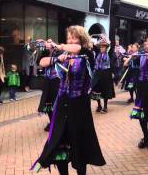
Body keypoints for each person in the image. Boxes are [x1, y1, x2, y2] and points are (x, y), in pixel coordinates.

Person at [31, 25, 106, 175]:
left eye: (74, 37)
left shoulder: (88, 54)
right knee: (59, 141)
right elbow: (42, 62)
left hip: (79, 105)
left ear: (81, 39)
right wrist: (56, 57)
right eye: (69, 37)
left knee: (79, 143)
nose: (70, 40)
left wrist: (58, 45)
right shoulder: (63, 53)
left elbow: (78, 49)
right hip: (62, 103)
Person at [37, 40, 61, 132]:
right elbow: (39, 62)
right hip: (47, 80)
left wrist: (55, 46)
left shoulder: (58, 52)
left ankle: (55, 123)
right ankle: (52, 122)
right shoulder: (45, 53)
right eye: (47, 43)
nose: (48, 45)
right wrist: (43, 48)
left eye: (50, 43)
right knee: (47, 103)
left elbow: (61, 58)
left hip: (56, 80)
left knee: (56, 103)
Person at [91, 35, 115, 113]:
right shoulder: (98, 53)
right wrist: (95, 36)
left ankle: (105, 106)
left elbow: (112, 44)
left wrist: (104, 37)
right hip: (97, 73)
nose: (102, 48)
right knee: (96, 89)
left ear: (106, 48)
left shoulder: (109, 54)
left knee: (105, 90)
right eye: (101, 47)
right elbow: (93, 45)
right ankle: (99, 105)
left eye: (103, 47)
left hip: (106, 73)